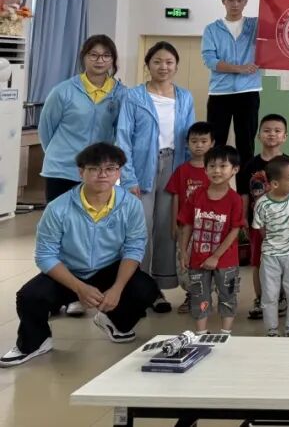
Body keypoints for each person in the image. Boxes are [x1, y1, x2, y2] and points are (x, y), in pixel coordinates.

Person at [1, 143, 157, 367]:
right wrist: (79, 288)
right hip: (69, 271)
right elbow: (45, 255)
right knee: (30, 296)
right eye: (94, 169)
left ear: (119, 173)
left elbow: (134, 248)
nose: (103, 175)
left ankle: (115, 322)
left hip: (109, 268)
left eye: (110, 168)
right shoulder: (58, 208)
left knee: (146, 289)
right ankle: (35, 342)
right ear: (81, 172)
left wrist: (117, 288)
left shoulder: (131, 205)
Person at [116, 41, 195, 310]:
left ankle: (158, 289)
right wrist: (128, 177)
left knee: (166, 228)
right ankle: (138, 288)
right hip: (141, 167)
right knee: (140, 229)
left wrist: (188, 175)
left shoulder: (185, 97)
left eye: (169, 62)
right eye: (157, 61)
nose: (164, 67)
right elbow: (123, 137)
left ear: (176, 66)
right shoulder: (133, 96)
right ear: (147, 65)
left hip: (174, 165)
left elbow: (190, 138)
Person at [39, 34, 125, 203]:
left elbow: (119, 131)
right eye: (93, 55)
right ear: (83, 57)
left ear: (113, 60)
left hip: (98, 171)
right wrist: (59, 154)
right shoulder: (63, 91)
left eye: (106, 55)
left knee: (92, 217)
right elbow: (46, 129)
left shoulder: (121, 93)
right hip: (62, 169)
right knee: (59, 216)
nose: (99, 60)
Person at [178, 145, 244, 336]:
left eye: (223, 166)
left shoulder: (235, 199)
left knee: (227, 295)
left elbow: (235, 230)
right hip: (198, 259)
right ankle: (201, 334)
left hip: (226, 261)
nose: (217, 171)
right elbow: (187, 224)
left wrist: (216, 256)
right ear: (205, 169)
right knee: (199, 295)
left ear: (235, 169)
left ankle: (225, 333)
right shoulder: (196, 195)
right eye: (212, 166)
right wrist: (184, 251)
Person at [201, 0, 262, 165]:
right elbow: (209, 60)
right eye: (231, 0)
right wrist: (239, 68)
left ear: (245, 2)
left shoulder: (256, 25)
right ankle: (216, 179)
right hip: (220, 92)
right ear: (223, 1)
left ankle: (245, 182)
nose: (235, 4)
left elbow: (277, 32)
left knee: (246, 142)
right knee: (216, 141)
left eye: (240, 0)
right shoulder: (212, 29)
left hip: (248, 91)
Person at [237, 113, 289, 319]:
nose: (272, 134)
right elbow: (244, 193)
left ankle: (281, 298)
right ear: (259, 136)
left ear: (284, 136)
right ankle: (260, 299)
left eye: (277, 131)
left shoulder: (288, 164)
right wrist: (243, 218)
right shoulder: (250, 165)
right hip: (257, 225)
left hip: (284, 226)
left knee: (282, 262)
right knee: (258, 263)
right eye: (267, 130)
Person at [252, 156, 289, 337]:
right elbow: (260, 228)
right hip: (270, 255)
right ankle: (271, 329)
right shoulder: (262, 204)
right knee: (270, 294)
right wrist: (274, 243)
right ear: (275, 184)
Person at [164, 121, 214, 315]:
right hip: (186, 227)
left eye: (203, 141)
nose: (199, 145)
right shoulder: (182, 170)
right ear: (187, 143)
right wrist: (173, 224)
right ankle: (191, 294)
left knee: (205, 262)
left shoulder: (215, 171)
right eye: (194, 141)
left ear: (212, 143)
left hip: (209, 228)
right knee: (185, 262)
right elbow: (176, 197)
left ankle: (205, 295)